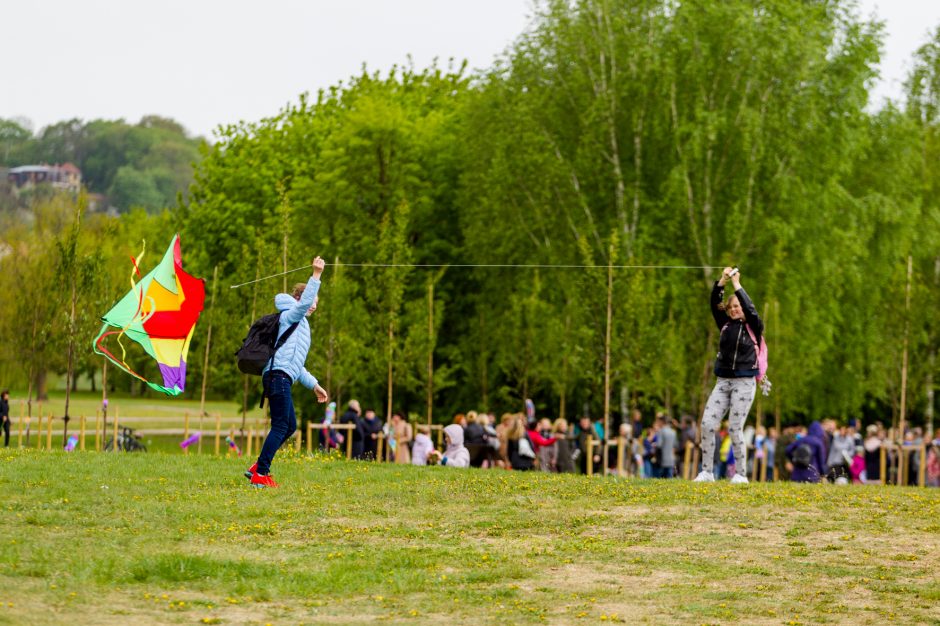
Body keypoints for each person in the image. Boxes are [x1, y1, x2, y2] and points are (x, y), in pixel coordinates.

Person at [246, 257, 329, 488]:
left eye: (316, 303)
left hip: (283, 376)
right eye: (311, 300)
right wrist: (316, 275)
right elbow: (303, 306)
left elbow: (297, 365)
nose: (313, 305)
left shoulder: (301, 326)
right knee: (281, 425)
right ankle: (261, 474)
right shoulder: (291, 314)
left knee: (289, 425)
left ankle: (258, 467)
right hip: (277, 376)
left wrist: (314, 385)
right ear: (299, 298)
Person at [694, 267, 764, 484]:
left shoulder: (754, 326)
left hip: (744, 381)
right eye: (731, 307)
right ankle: (707, 472)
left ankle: (741, 474)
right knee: (706, 424)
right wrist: (722, 281)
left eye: (737, 306)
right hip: (723, 380)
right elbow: (715, 302)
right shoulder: (724, 324)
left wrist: (737, 284)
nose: (734, 310)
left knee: (735, 427)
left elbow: (751, 309)